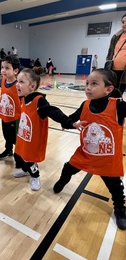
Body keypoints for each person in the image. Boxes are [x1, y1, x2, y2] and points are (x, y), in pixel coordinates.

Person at [53, 68, 126, 230]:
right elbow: (71, 119)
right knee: (67, 169)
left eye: (94, 84)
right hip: (85, 154)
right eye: (87, 83)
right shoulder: (85, 104)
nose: (87, 87)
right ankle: (62, 181)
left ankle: (120, 209)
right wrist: (70, 123)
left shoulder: (118, 106)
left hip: (108, 160)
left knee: (116, 188)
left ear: (108, 89)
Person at [13, 68, 80, 191]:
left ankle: (35, 176)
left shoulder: (39, 101)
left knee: (30, 159)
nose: (17, 84)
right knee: (21, 155)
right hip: (24, 136)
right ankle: (25, 170)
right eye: (17, 81)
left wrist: (69, 123)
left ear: (32, 86)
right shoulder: (24, 98)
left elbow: (53, 111)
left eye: (21, 82)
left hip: (34, 140)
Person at [106, 13, 126, 94]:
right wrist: (108, 61)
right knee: (111, 92)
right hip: (113, 70)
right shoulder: (116, 36)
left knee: (119, 92)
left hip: (124, 72)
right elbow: (110, 51)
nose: (124, 25)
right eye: (123, 22)